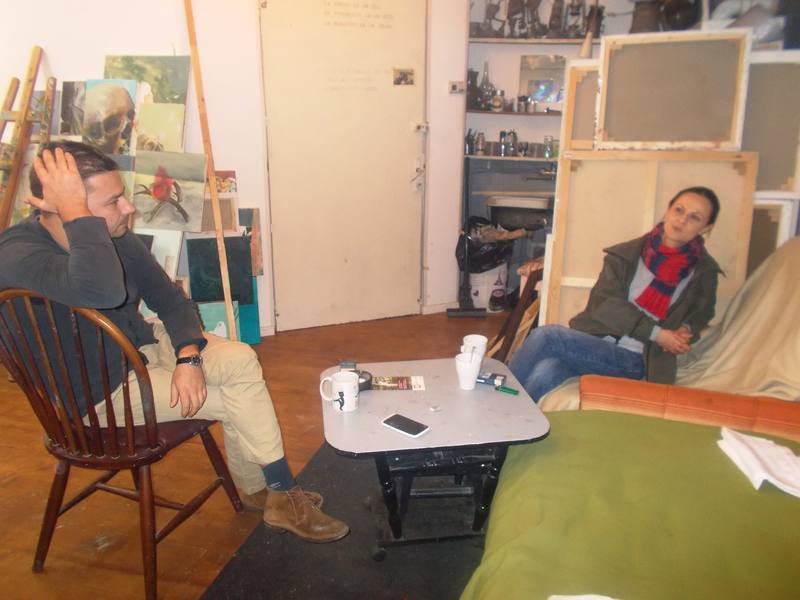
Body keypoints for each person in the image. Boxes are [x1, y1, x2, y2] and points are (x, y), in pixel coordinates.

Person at [0, 141, 349, 543]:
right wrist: (78, 216)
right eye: (112, 202)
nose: (128, 208)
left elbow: (170, 299)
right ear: (64, 207)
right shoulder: (17, 255)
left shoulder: (115, 234)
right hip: (100, 394)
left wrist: (188, 358)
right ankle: (279, 492)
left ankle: (264, 491)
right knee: (238, 400)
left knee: (241, 360)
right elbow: (101, 291)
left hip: (142, 349)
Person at [510, 186, 722, 402]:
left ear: (706, 227)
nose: (682, 220)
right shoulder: (627, 255)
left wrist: (686, 328)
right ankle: (509, 417)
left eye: (694, 217)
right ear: (668, 211)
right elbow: (605, 305)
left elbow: (702, 312)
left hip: (636, 359)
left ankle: (497, 392)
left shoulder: (703, 272)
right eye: (679, 210)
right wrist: (658, 334)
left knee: (548, 336)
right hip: (595, 340)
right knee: (547, 371)